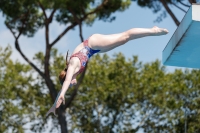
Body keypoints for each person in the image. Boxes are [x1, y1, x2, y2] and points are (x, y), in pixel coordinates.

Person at [45, 26, 168, 117]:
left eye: (70, 83)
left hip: (92, 44)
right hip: (94, 49)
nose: (72, 83)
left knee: (125, 36)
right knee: (124, 40)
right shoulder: (73, 71)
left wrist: (62, 94)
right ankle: (151, 31)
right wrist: (54, 104)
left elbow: (66, 82)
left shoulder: (73, 64)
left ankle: (153, 30)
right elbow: (65, 83)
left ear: (68, 76)